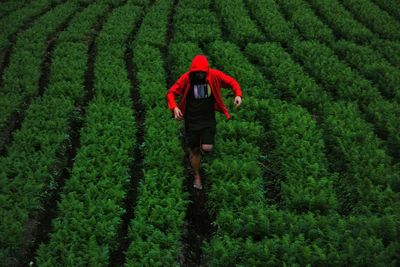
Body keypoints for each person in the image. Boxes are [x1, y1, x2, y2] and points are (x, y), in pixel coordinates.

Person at [166, 55, 242, 190]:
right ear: (193, 71)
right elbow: (171, 93)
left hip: (207, 119)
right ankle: (197, 176)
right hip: (192, 119)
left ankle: (198, 153)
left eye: (202, 72)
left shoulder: (214, 76)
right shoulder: (186, 78)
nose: (200, 75)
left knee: (207, 148)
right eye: (197, 72)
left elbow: (231, 82)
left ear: (206, 71)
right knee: (195, 149)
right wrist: (175, 107)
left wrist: (238, 94)